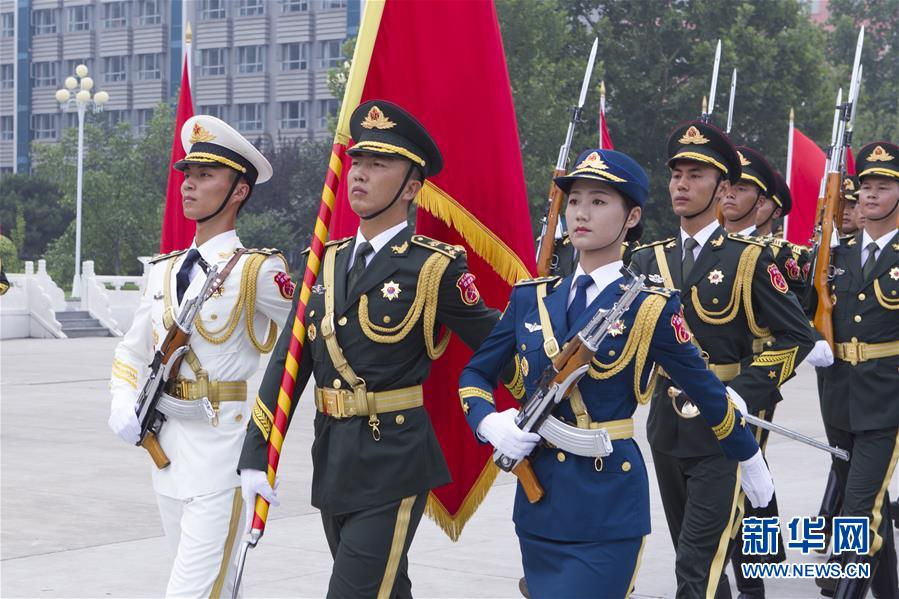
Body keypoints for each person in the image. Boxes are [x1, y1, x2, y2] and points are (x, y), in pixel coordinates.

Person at [459, 148, 772, 599]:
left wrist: (749, 457)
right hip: (539, 503)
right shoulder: (531, 298)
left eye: (599, 201)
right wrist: (489, 423)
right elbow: (475, 373)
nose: (581, 213)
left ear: (632, 216)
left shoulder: (649, 306)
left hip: (607, 503)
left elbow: (705, 391)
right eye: (574, 201)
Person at [238, 100, 515, 599]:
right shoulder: (322, 262)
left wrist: (550, 375)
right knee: (387, 589)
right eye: (357, 162)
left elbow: (498, 342)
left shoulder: (434, 268)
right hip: (333, 458)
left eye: (378, 164)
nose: (360, 175)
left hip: (395, 460)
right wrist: (257, 455)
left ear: (411, 188)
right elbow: (288, 366)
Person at [628, 120, 815, 598]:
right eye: (676, 175)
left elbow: (797, 336)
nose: (682, 185)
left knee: (698, 565)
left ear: (723, 188)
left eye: (696, 175)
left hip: (724, 427)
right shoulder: (648, 261)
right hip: (666, 426)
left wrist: (743, 393)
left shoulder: (747, 259)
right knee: (692, 558)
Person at [107, 115, 293, 597]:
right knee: (215, 589)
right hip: (166, 455)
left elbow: (311, 333)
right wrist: (121, 399)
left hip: (222, 456)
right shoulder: (163, 271)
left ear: (238, 191)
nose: (189, 184)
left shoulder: (257, 271)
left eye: (205, 175)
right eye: (187, 174)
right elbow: (131, 350)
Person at [809, 141, 899, 598]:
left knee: (859, 512)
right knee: (863, 501)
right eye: (865, 187)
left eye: (883, 186)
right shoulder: (835, 256)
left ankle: (845, 587)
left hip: (887, 397)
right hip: (838, 394)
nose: (870, 195)